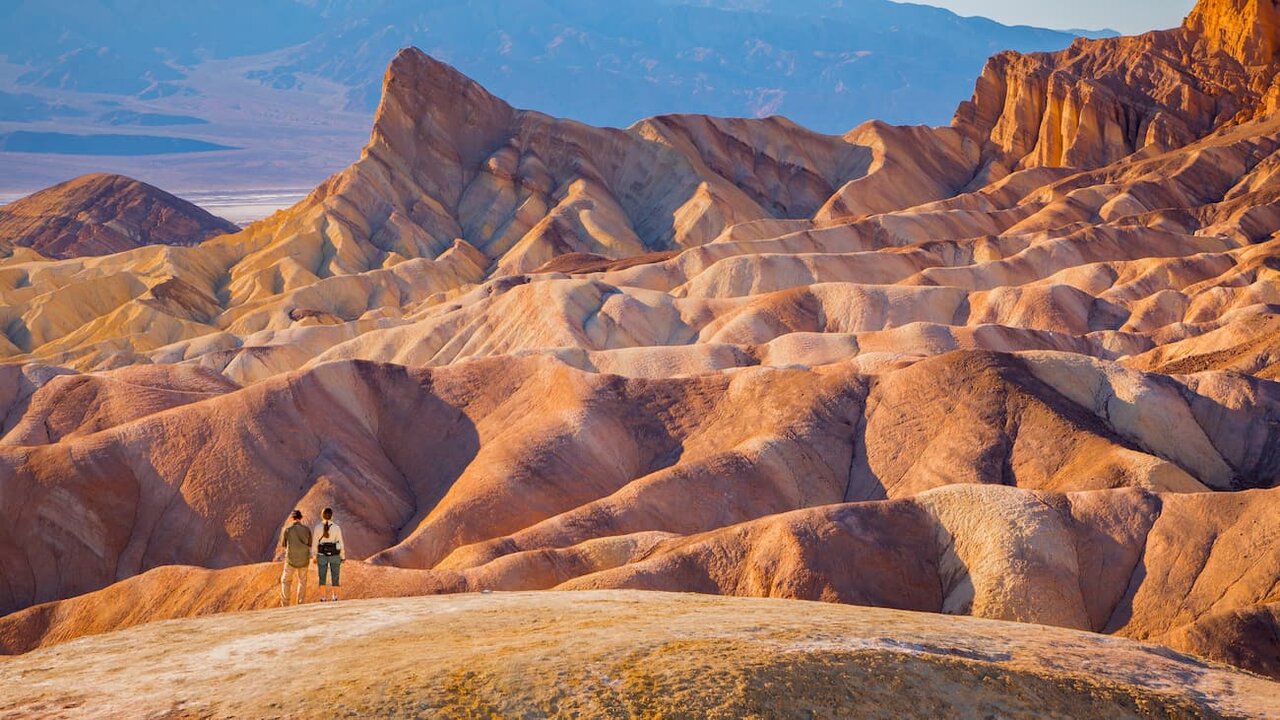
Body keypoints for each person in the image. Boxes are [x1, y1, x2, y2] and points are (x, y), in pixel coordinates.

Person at [311, 507, 346, 602]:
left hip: (322, 555)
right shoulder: (336, 528)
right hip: (335, 555)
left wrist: (314, 556)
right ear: (332, 516)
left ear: (322, 516)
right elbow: (340, 543)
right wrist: (342, 556)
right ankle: (335, 597)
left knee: (322, 576)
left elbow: (314, 543)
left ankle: (323, 597)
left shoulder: (318, 527)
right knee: (335, 576)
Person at [279, 509, 312, 606]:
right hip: (304, 560)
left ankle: (285, 604)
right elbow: (309, 544)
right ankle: (300, 603)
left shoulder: (287, 530)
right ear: (301, 518)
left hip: (291, 560)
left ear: (292, 518)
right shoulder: (307, 529)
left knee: (286, 581)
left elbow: (284, 544)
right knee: (302, 581)